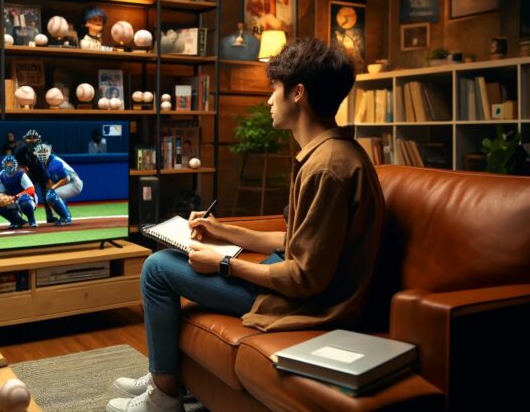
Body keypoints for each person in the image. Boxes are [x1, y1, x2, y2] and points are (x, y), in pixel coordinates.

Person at [106, 37, 386, 412]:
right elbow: (296, 240)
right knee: (177, 260)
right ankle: (167, 372)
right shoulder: (328, 153)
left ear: (298, 93)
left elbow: (306, 278)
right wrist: (223, 231)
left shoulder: (327, 169)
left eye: (275, 90)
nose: (270, 100)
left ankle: (164, 395)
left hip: (309, 303)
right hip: (296, 286)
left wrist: (223, 263)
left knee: (157, 269)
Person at [33, 143, 83, 226]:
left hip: (74, 183)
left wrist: (53, 188)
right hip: (70, 183)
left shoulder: (54, 163)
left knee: (51, 195)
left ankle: (66, 218)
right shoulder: (45, 162)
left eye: (43, 152)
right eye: (40, 153)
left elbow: (66, 179)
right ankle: (66, 216)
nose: (41, 154)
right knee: (52, 194)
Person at [13, 129, 55, 224]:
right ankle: (19, 217)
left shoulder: (46, 149)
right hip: (28, 174)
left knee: (48, 194)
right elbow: (19, 168)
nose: (32, 140)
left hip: (43, 174)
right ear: (25, 139)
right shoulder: (20, 151)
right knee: (22, 193)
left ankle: (50, 216)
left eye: (34, 138)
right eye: (29, 138)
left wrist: (49, 178)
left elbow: (53, 163)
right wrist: (24, 181)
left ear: (39, 139)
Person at [0, 155, 37, 229]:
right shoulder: (1, 175)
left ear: (15, 164)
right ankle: (16, 221)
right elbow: (0, 191)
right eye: (7, 164)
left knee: (24, 201)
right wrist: (1, 197)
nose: (9, 166)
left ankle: (32, 220)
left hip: (28, 199)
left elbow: (31, 189)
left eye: (11, 164)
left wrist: (16, 196)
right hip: (12, 199)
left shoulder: (20, 174)